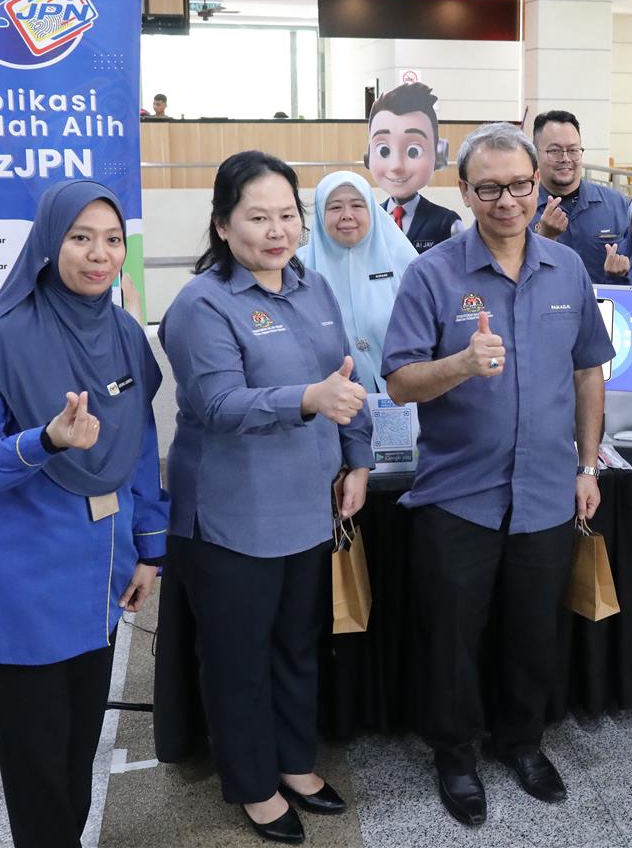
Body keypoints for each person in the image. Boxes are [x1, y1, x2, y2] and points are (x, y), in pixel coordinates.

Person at [381, 122, 614, 827]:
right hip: (460, 496)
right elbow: (399, 382)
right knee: (453, 638)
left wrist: (586, 464)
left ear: (537, 183)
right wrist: (458, 365)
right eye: (489, 188)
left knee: (532, 630)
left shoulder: (566, 269)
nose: (507, 200)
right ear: (464, 191)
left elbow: (588, 372)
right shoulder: (432, 274)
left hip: (547, 491)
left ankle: (523, 742)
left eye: (519, 185)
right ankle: (455, 756)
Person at [0, 179, 166, 848]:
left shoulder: (124, 332)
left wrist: (150, 550)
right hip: (20, 590)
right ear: (48, 241)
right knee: (37, 774)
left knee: (74, 760)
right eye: (80, 237)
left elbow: (139, 446)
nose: (99, 254)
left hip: (98, 580)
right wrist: (44, 441)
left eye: (113, 240)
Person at [158, 151, 373, 844]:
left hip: (308, 505)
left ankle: (294, 760)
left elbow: (346, 381)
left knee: (296, 645)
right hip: (232, 513)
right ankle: (253, 783)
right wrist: (306, 399)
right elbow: (218, 404)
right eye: (257, 218)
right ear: (223, 225)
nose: (276, 231)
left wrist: (357, 460)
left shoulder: (313, 288)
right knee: (238, 657)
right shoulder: (202, 304)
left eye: (287, 215)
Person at [301, 170, 418, 393]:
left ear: (372, 210)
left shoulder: (406, 262)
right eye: (335, 207)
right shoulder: (298, 268)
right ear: (320, 213)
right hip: (328, 399)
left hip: (403, 395)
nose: (347, 215)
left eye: (357, 205)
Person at [529, 109, 630, 283]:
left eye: (573, 150)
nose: (566, 158)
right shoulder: (522, 209)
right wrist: (544, 237)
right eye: (555, 151)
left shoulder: (615, 203)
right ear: (535, 155)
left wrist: (621, 273)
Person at [365, 81, 462, 253]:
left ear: (439, 154)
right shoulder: (368, 220)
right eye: (384, 150)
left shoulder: (447, 224)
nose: (396, 166)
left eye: (413, 151)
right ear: (368, 155)